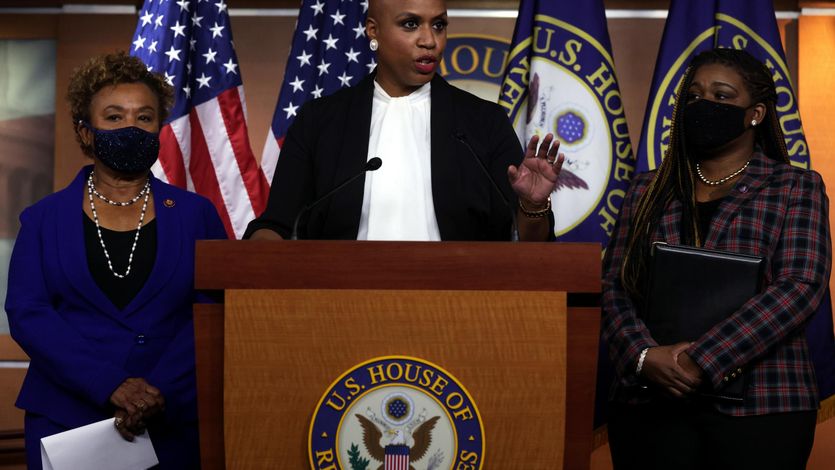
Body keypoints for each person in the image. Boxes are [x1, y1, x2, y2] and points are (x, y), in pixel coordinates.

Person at [602, 48, 831, 470]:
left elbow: (799, 287)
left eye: (722, 97)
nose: (703, 105)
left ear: (756, 113)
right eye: (693, 96)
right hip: (649, 403)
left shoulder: (796, 186)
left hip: (764, 407)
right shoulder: (646, 188)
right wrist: (642, 357)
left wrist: (701, 360)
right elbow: (615, 286)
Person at [5, 52, 227, 469]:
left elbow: (214, 309)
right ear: (85, 132)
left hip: (173, 419)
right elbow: (28, 313)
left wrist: (155, 392)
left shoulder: (198, 214)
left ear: (159, 128)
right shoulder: (42, 219)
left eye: (144, 118)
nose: (131, 127)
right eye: (113, 117)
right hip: (67, 418)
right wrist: (111, 384)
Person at [244, 0, 563, 241]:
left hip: (462, 309)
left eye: (438, 25)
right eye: (410, 24)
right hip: (337, 309)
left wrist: (532, 206)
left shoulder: (482, 122)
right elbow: (279, 226)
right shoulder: (319, 122)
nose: (429, 40)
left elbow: (524, 244)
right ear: (373, 30)